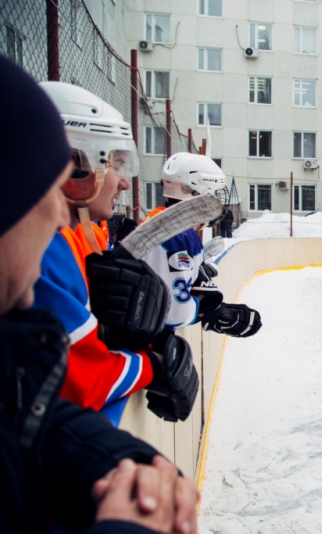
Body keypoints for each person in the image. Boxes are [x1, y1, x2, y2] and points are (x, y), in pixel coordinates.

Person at [0, 54, 197, 534]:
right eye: (110, 162)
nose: (59, 215)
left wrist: (104, 456)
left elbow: (26, 414)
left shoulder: (82, 239)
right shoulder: (52, 249)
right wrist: (150, 361)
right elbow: (80, 379)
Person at [32, 81, 198, 424]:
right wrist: (150, 365)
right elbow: (83, 383)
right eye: (117, 165)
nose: (124, 182)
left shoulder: (81, 230)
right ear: (75, 163)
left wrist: (115, 333)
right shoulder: (43, 244)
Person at [142, 152, 262, 337]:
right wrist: (208, 313)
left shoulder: (155, 219)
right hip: (149, 343)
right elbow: (175, 314)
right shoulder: (179, 234)